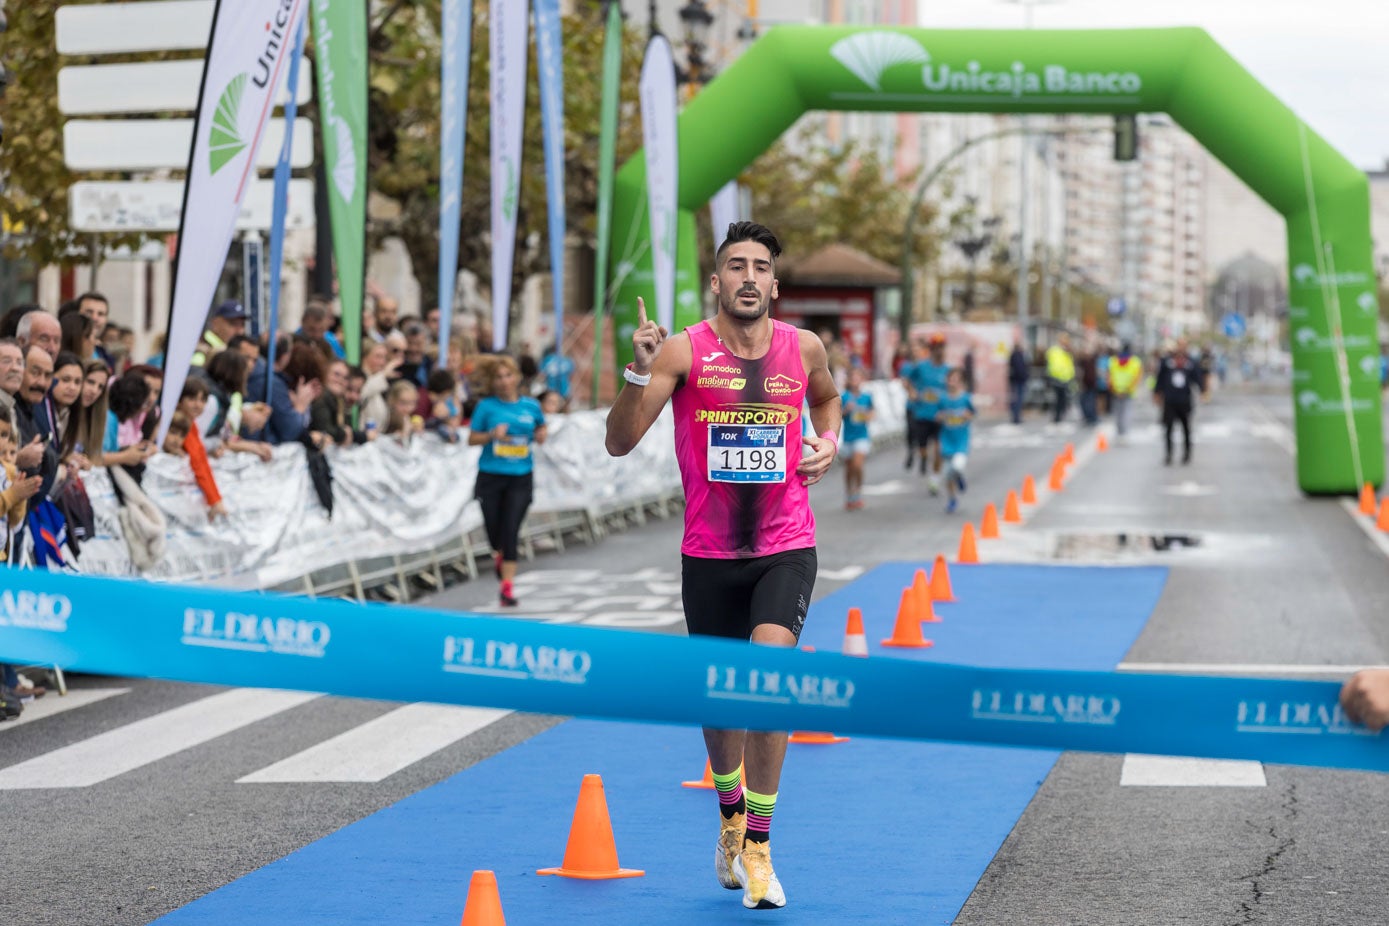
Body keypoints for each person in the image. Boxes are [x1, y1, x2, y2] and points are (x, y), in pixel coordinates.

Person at [604, 221, 840, 911]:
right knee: (719, 702)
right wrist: (638, 370)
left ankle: (759, 846)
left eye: (759, 266)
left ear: (773, 283)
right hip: (707, 554)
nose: (746, 276)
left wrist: (827, 440)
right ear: (716, 280)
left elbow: (825, 397)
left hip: (786, 543)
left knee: (768, 682)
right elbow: (619, 442)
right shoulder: (683, 349)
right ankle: (730, 814)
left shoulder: (805, 347)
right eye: (734, 264)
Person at [468, 356, 546, 605]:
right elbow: (471, 438)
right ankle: (498, 554)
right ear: (493, 381)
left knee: (510, 529)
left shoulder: (531, 406)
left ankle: (507, 588)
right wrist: (492, 435)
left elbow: (541, 428)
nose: (504, 382)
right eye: (499, 377)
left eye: (508, 376)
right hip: (491, 475)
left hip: (520, 477)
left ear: (517, 378)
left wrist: (542, 433)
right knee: (494, 531)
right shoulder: (486, 407)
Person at [905, 332, 949, 493]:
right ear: (931, 349)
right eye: (936, 347)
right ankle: (923, 457)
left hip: (940, 417)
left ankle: (935, 479)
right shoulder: (921, 367)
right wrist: (912, 392)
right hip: (922, 414)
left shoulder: (948, 370)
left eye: (941, 347)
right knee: (922, 448)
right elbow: (907, 381)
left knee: (939, 449)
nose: (939, 350)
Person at [1153, 340, 1207, 465]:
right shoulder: (1167, 361)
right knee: (1168, 428)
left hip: (1184, 400)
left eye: (1184, 345)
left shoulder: (1191, 362)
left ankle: (1187, 454)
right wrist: (1157, 393)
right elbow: (1160, 378)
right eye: (1179, 345)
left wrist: (1203, 391)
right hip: (1170, 399)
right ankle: (1168, 454)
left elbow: (1197, 377)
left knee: (1186, 428)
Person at [937, 368, 975, 514]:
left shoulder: (965, 398)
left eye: (956, 379)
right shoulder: (943, 399)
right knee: (947, 474)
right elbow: (937, 415)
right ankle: (952, 499)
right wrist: (940, 417)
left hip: (961, 441)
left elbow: (972, 413)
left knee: (957, 467)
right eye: (950, 379)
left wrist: (967, 415)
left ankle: (959, 477)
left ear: (961, 382)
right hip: (946, 440)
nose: (953, 382)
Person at [839, 365, 873, 510]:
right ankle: (849, 494)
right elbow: (837, 415)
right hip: (848, 437)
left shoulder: (867, 397)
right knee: (849, 468)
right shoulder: (844, 397)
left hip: (862, 436)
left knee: (857, 465)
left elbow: (872, 413)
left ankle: (858, 492)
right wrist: (846, 410)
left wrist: (866, 416)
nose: (855, 380)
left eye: (858, 377)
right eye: (852, 377)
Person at [192, 300, 248, 366]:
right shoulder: (200, 355)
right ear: (215, 323)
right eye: (233, 324)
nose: (240, 331)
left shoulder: (235, 351)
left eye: (242, 324)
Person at [1108, 343, 1143, 441]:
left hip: (1117, 390)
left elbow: (1109, 376)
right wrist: (1129, 387)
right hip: (1128, 390)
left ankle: (1119, 431)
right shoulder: (1135, 361)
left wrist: (1114, 388)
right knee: (1126, 412)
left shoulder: (1113, 360)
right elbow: (1137, 377)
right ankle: (1124, 432)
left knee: (1118, 412)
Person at [1046, 334, 1075, 424]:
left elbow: (1069, 365)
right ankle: (1057, 417)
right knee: (1058, 399)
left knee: (1062, 399)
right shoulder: (1056, 351)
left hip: (1065, 379)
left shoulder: (1066, 352)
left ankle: (1059, 416)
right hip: (1057, 378)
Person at [1008, 338, 1029, 425]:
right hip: (1018, 380)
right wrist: (1025, 376)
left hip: (1016, 380)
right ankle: (1016, 417)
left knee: (1016, 398)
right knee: (1018, 399)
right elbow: (1019, 369)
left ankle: (1016, 416)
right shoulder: (1017, 355)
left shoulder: (1013, 355)